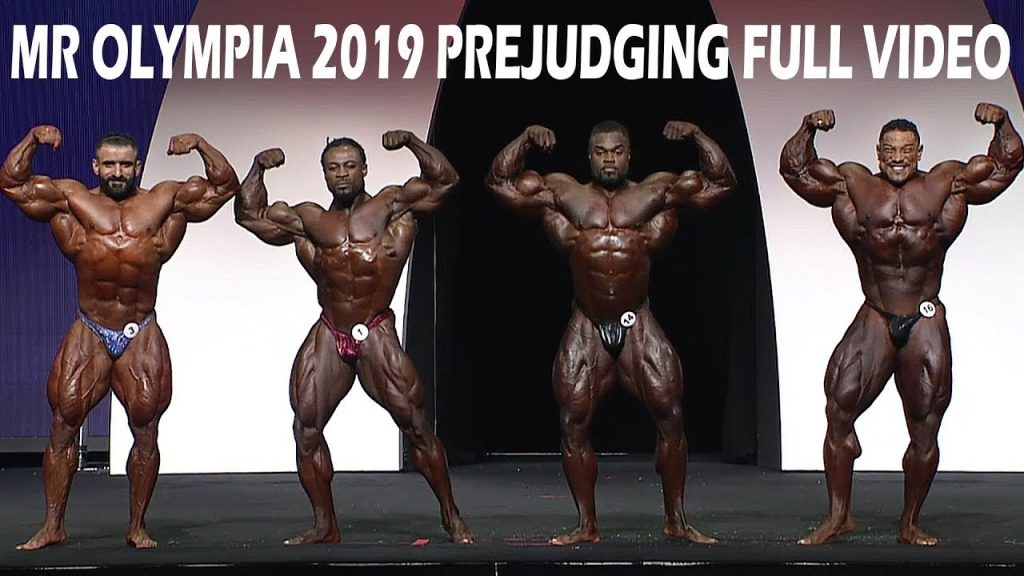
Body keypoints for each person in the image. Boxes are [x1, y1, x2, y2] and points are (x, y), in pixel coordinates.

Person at [779, 103, 1023, 546]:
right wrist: (807, 128)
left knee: (925, 423)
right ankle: (839, 516)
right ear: (878, 152)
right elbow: (795, 171)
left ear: (919, 152)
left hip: (924, 314)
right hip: (876, 312)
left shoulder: (946, 182)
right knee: (838, 408)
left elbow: (1006, 165)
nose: (897, 157)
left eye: (906, 150)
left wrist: (1003, 123)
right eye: (890, 149)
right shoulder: (853, 183)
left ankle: (910, 523)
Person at [485, 120, 736, 545]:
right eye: (601, 152)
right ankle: (586, 525)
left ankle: (676, 519)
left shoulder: (657, 191)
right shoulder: (563, 192)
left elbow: (722, 182)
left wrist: (697, 135)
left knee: (671, 417)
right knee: (573, 424)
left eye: (617, 151)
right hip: (586, 323)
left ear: (629, 154)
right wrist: (525, 137)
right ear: (589, 156)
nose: (609, 159)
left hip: (637, 321)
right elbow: (499, 183)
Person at [1, 127, 240, 550]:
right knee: (63, 424)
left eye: (125, 164)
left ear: (137, 166)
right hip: (90, 327)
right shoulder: (73, 199)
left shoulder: (163, 200)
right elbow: (12, 183)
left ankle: (137, 527)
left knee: (146, 428)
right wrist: (33, 140)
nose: (117, 172)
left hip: (140, 328)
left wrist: (202, 145)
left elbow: (224, 186)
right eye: (109, 164)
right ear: (96, 166)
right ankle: (53, 525)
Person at [234, 130, 473, 545]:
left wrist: (413, 142)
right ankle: (325, 525)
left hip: (375, 328)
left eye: (349, 166)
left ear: (364, 169)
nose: (342, 174)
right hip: (331, 330)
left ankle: (451, 516)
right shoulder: (310, 220)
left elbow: (446, 181)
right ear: (324, 174)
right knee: (306, 428)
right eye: (333, 168)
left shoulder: (392, 205)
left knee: (417, 427)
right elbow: (249, 215)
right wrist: (258, 168)